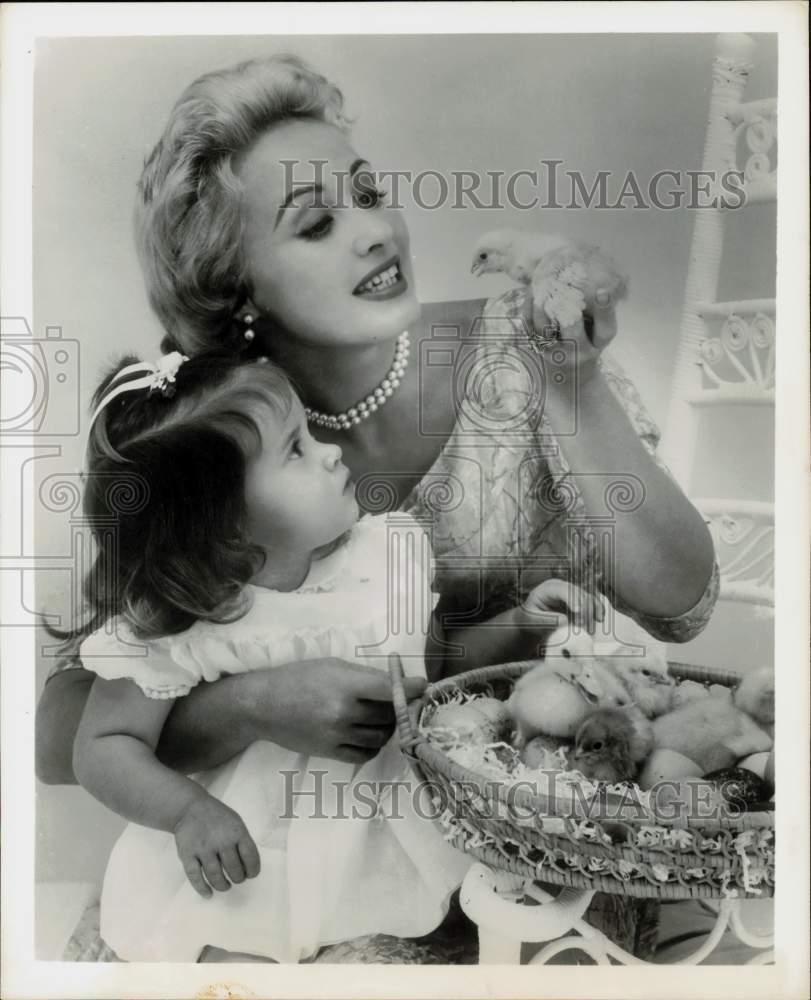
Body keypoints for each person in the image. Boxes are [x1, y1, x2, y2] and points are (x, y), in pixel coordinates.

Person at [37, 54, 719, 961]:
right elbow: (60, 737)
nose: (374, 232)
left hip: (526, 850)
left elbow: (682, 606)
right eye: (317, 224)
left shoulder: (520, 343)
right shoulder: (219, 434)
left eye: (367, 193)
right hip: (276, 864)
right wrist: (249, 705)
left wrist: (568, 380)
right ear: (237, 289)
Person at [67, 348, 606, 963]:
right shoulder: (184, 621)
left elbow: (434, 667)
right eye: (294, 449)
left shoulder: (383, 557)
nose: (328, 451)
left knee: (417, 934)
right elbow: (103, 746)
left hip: (388, 831)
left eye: (309, 430)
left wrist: (521, 625)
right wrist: (188, 812)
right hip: (257, 852)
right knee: (231, 951)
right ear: (223, 526)